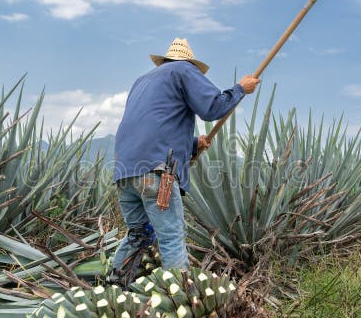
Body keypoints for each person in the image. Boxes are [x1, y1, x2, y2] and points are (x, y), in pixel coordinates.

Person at [108, 38, 260, 284]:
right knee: (171, 237)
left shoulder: (142, 81)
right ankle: (180, 300)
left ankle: (112, 288)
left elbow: (153, 125)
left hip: (125, 172)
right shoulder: (184, 70)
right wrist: (240, 89)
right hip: (157, 173)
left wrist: (192, 143)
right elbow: (212, 108)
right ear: (189, 63)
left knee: (139, 236)